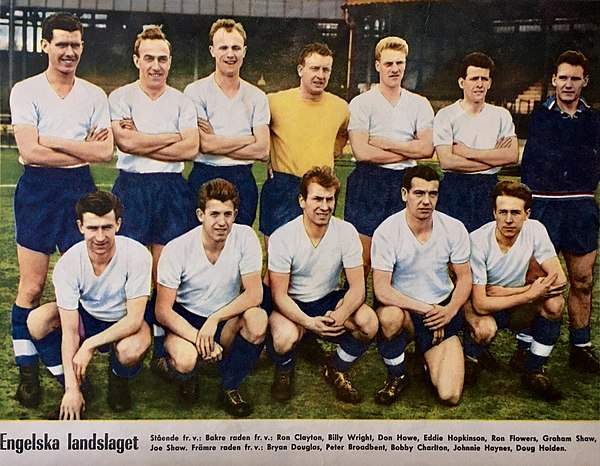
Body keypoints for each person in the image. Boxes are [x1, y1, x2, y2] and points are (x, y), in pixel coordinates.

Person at [9, 12, 114, 408]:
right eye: (61, 44)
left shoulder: (93, 94)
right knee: (32, 287)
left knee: (78, 286)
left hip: (79, 189)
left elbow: (105, 152)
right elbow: (29, 151)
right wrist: (77, 146)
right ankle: (29, 374)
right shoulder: (26, 90)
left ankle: (72, 369)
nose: (69, 52)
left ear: (82, 47)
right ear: (45, 45)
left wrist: (52, 140)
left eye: (75, 45)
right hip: (37, 189)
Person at [109, 25, 199, 373]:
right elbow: (126, 144)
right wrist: (172, 136)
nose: (156, 65)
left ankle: (163, 348)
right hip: (132, 187)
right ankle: (128, 341)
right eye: (149, 58)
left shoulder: (182, 100)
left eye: (162, 58)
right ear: (136, 60)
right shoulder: (120, 96)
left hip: (172, 188)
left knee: (165, 270)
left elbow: (190, 148)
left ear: (170, 61)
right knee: (131, 267)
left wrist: (145, 137)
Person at [25, 191, 152, 420]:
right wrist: (70, 390)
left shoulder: (137, 254)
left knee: (131, 349)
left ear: (118, 224)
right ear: (80, 226)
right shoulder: (69, 264)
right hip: (87, 318)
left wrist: (89, 346)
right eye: (93, 228)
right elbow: (70, 332)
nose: (100, 237)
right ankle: (80, 387)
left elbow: (134, 319)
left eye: (107, 227)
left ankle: (118, 377)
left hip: (122, 321)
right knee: (37, 321)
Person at [155, 179, 266, 418]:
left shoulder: (245, 237)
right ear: (200, 214)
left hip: (224, 317)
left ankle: (230, 386)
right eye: (214, 214)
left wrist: (215, 319)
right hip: (186, 318)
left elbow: (255, 294)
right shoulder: (178, 248)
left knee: (257, 319)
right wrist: (199, 338)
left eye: (228, 214)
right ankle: (185, 373)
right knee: (185, 361)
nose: (222, 222)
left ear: (235, 214)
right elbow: (162, 310)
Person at [267, 166, 378, 404]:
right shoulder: (283, 237)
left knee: (368, 323)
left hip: (329, 299)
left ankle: (336, 367)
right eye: (317, 198)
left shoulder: (346, 232)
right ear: (302, 201)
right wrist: (308, 323)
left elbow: (358, 288)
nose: (325, 206)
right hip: (293, 303)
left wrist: (340, 315)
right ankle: (285, 369)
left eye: (330, 199)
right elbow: (278, 295)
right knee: (283, 338)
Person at [521, 50, 600, 373]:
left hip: (580, 206)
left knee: (582, 280)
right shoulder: (539, 116)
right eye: (563, 78)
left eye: (574, 78)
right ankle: (525, 344)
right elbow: (535, 166)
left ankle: (580, 347)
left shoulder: (594, 120)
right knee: (539, 280)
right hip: (545, 205)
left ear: (585, 81)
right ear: (554, 80)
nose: (568, 84)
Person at [371, 165, 471, 405]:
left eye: (432, 194)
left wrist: (448, 312)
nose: (426, 201)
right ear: (405, 194)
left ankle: (427, 361)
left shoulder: (454, 228)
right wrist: (426, 309)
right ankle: (398, 374)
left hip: (441, 309)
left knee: (450, 395)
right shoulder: (387, 231)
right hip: (405, 309)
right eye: (419, 193)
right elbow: (381, 289)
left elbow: (465, 278)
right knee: (389, 318)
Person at [464, 181, 566, 400]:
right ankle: (470, 358)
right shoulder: (477, 241)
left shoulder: (536, 229)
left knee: (555, 303)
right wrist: (529, 293)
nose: (508, 219)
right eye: (503, 212)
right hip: (480, 307)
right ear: (494, 212)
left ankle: (534, 369)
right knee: (484, 330)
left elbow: (559, 280)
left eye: (515, 212)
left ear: (527, 213)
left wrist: (506, 292)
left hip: (508, 299)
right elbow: (480, 303)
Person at [344, 36, 434, 275]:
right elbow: (362, 152)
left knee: (400, 259)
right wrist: (407, 149)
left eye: (400, 63)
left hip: (404, 181)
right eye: (388, 64)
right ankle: (357, 309)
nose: (395, 69)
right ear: (377, 66)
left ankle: (391, 310)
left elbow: (426, 149)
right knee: (362, 259)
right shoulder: (361, 103)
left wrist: (383, 143)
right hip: (368, 181)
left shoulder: (419, 103)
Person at [259, 42, 349, 247]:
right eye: (314, 68)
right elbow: (257, 132)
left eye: (326, 69)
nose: (320, 75)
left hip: (321, 188)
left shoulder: (340, 107)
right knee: (276, 253)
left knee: (314, 251)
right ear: (301, 70)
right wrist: (269, 158)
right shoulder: (274, 102)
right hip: (283, 185)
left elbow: (343, 133)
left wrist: (332, 151)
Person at [184, 18, 269, 227]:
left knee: (239, 241)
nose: (230, 54)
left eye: (236, 47)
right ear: (212, 50)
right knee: (202, 243)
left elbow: (263, 150)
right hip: (205, 174)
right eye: (223, 47)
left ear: (244, 51)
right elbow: (204, 145)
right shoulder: (195, 91)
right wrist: (248, 138)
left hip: (242, 179)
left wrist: (217, 141)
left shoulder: (257, 96)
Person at [433, 52, 518, 232]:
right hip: (454, 189)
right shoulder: (446, 115)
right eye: (474, 78)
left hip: (488, 188)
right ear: (462, 82)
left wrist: (468, 152)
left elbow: (511, 156)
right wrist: (493, 158)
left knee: (486, 248)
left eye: (484, 79)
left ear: (490, 82)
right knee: (452, 248)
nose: (479, 84)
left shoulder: (501, 115)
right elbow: (447, 161)